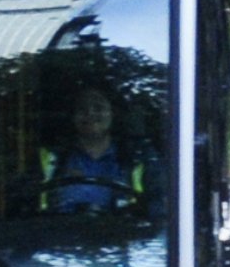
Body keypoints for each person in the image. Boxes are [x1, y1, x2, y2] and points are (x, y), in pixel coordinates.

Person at [40, 87, 163, 217]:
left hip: (122, 234)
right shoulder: (49, 157)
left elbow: (158, 207)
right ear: (72, 116)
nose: (90, 114)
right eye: (82, 109)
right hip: (59, 233)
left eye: (98, 108)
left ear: (113, 113)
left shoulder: (139, 156)